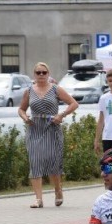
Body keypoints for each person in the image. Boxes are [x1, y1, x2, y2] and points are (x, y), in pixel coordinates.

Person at [18, 62, 78, 208]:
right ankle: (38, 199)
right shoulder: (29, 91)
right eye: (38, 72)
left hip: (52, 127)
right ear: (34, 74)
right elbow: (21, 109)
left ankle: (58, 191)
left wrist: (61, 114)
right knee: (35, 161)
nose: (41, 75)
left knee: (53, 162)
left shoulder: (55, 89)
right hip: (35, 128)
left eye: (44, 72)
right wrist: (25, 118)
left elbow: (73, 103)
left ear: (48, 73)